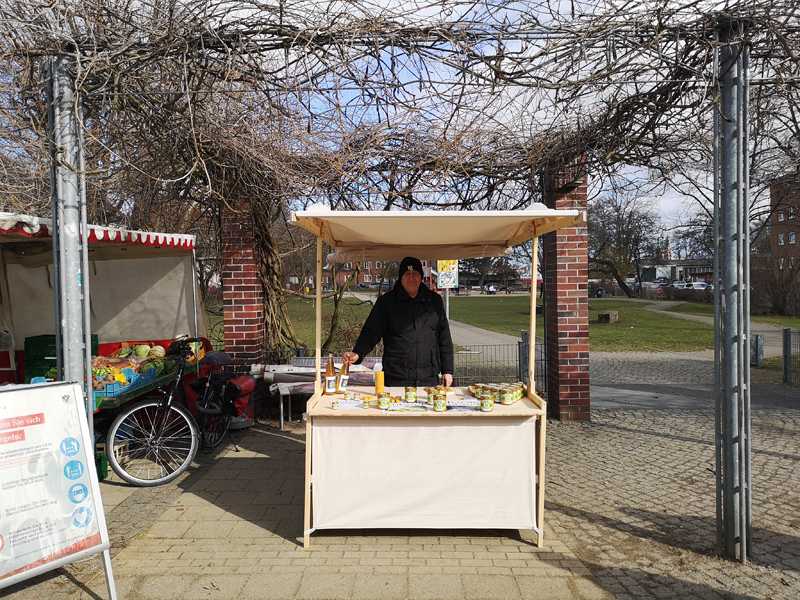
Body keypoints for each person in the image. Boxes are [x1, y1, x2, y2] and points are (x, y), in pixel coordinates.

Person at [342, 256, 454, 388]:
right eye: (407, 274)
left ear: (421, 277)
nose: (411, 277)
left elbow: (444, 337)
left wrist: (448, 370)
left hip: (428, 377)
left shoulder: (434, 301)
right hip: (396, 378)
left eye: (415, 273)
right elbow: (371, 332)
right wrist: (358, 352)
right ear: (401, 277)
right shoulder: (387, 302)